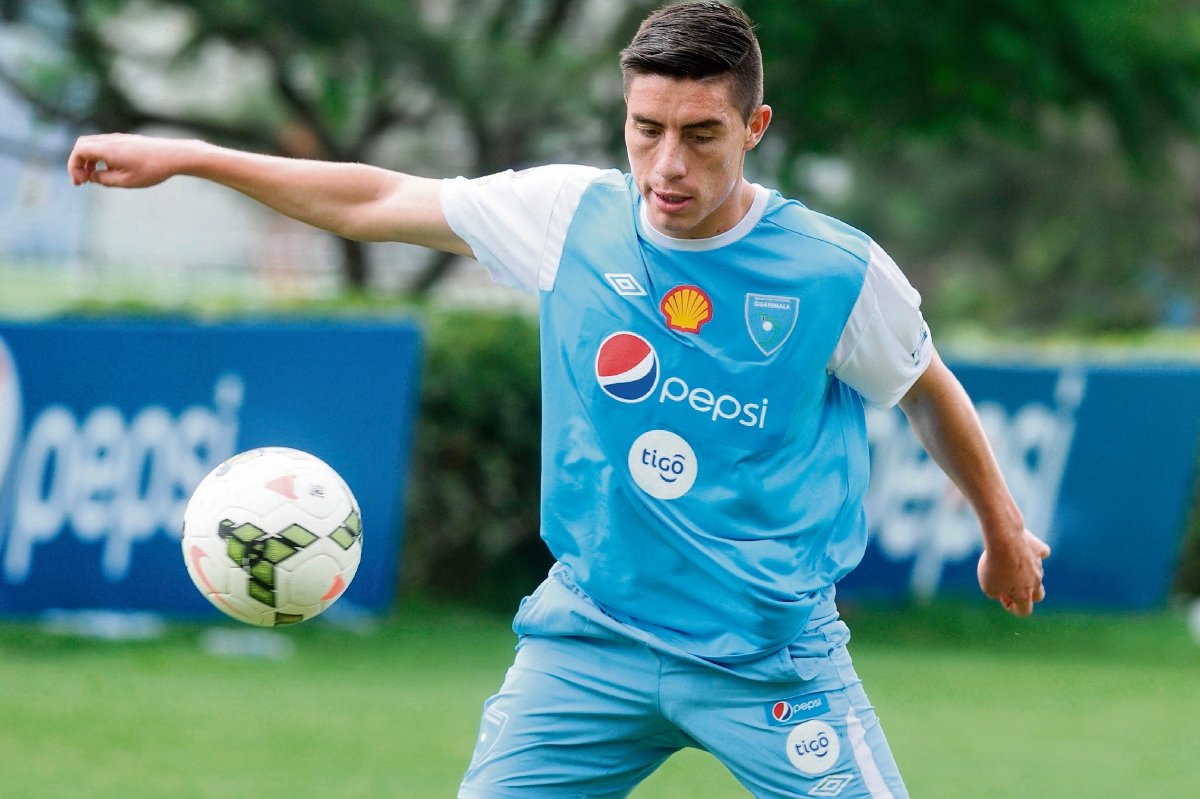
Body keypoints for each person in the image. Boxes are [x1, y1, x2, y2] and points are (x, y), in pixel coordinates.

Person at [67, 3, 1049, 797]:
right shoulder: (568, 216)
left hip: (770, 660)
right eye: (646, 130)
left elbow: (928, 390)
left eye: (702, 136)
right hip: (590, 642)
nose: (668, 166)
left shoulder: (835, 272)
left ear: (753, 128)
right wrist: (192, 156)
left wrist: (1002, 530)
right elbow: (372, 200)